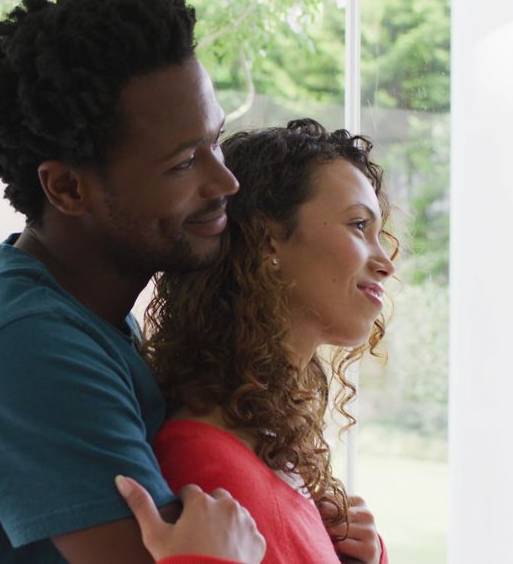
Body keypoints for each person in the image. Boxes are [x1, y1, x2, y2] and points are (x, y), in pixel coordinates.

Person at [0, 0, 265, 562]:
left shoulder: (78, 310)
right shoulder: (27, 345)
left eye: (216, 141)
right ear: (67, 188)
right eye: (183, 163)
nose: (224, 181)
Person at [141, 119, 397, 564]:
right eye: (358, 225)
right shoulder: (205, 465)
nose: (385, 264)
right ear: (266, 239)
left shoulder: (271, 448)